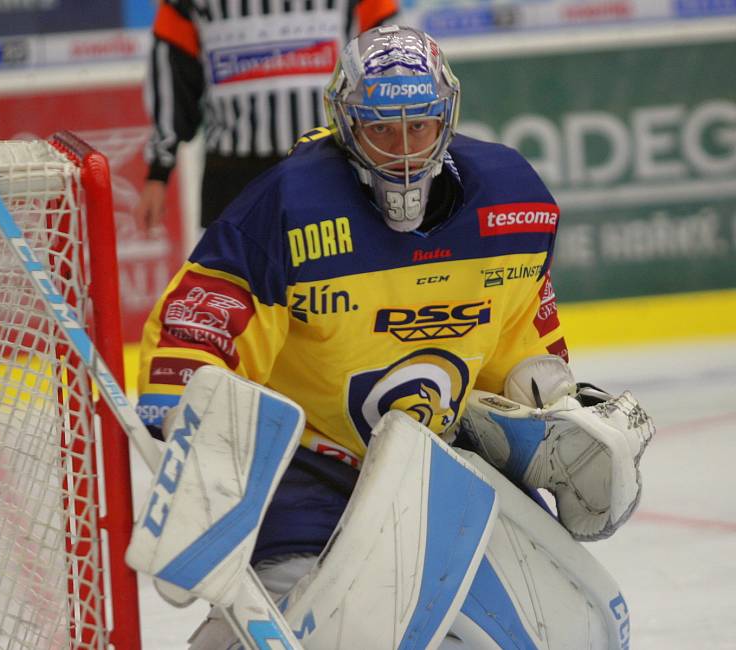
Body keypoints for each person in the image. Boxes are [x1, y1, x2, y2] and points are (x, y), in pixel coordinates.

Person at [135, 25, 653, 647]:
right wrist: (185, 401)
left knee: (551, 632)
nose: (402, 149)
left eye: (419, 126)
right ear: (347, 126)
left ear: (446, 120)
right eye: (380, 128)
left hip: (443, 464)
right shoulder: (288, 205)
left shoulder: (512, 202)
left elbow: (521, 335)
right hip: (312, 464)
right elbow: (207, 317)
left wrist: (542, 400)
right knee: (303, 627)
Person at [136, 0, 398, 231]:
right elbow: (173, 76)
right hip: (235, 175)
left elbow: (395, 60)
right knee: (238, 283)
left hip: (335, 165)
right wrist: (158, 173)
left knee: (334, 279)